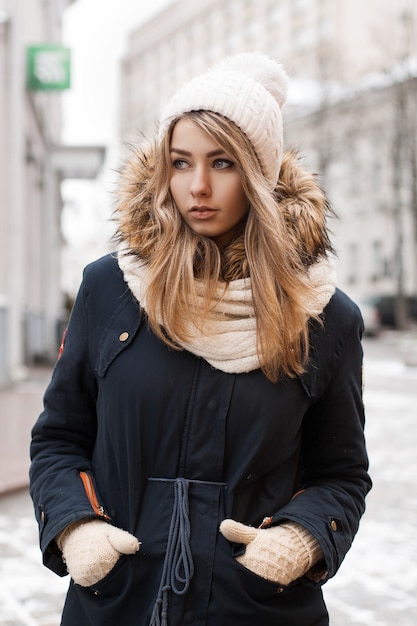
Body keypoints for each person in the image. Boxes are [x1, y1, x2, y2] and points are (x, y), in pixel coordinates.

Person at [30, 52, 371, 626]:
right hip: (117, 605)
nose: (199, 186)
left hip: (255, 609)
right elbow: (60, 439)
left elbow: (340, 474)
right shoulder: (110, 288)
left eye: (223, 163)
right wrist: (75, 525)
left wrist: (304, 537)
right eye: (181, 162)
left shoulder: (324, 317)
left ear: (258, 174)